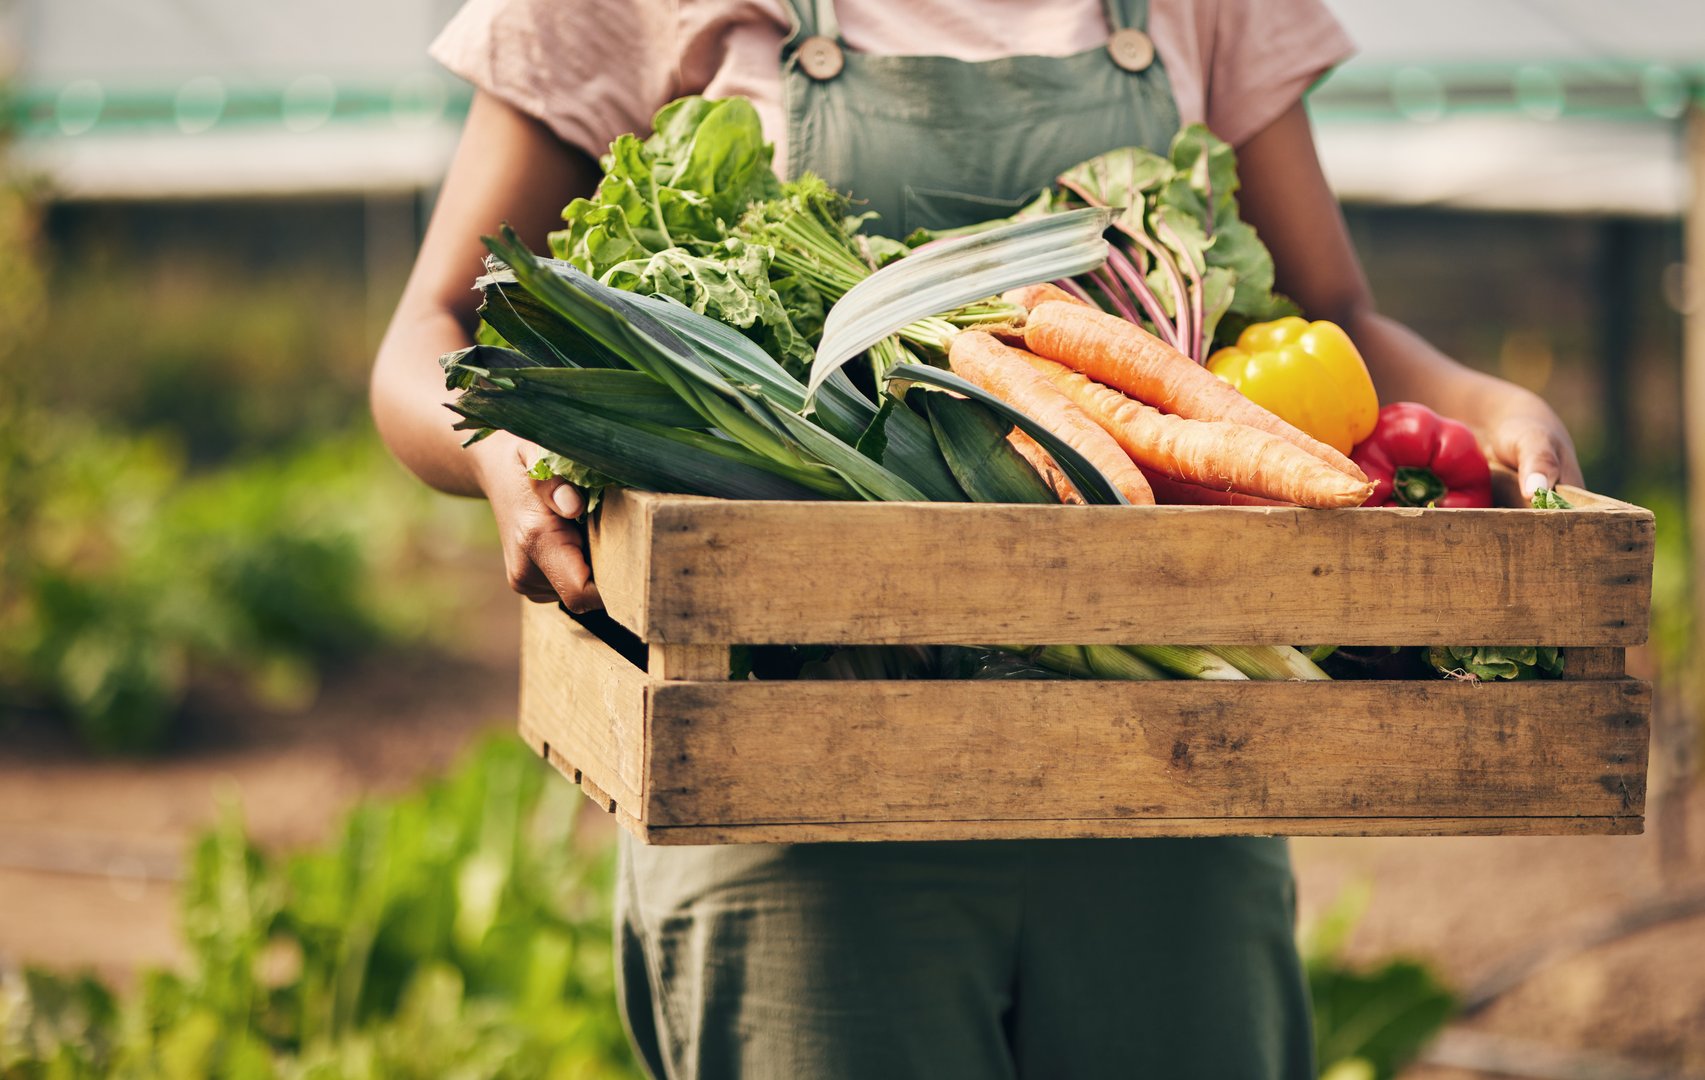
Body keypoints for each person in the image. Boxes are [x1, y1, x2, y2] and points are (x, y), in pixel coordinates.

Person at [371, 1, 1584, 1076]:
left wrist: (1491, 410)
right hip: (794, 794)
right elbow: (428, 329)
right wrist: (501, 457)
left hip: (1172, 778)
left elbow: (1337, 314)